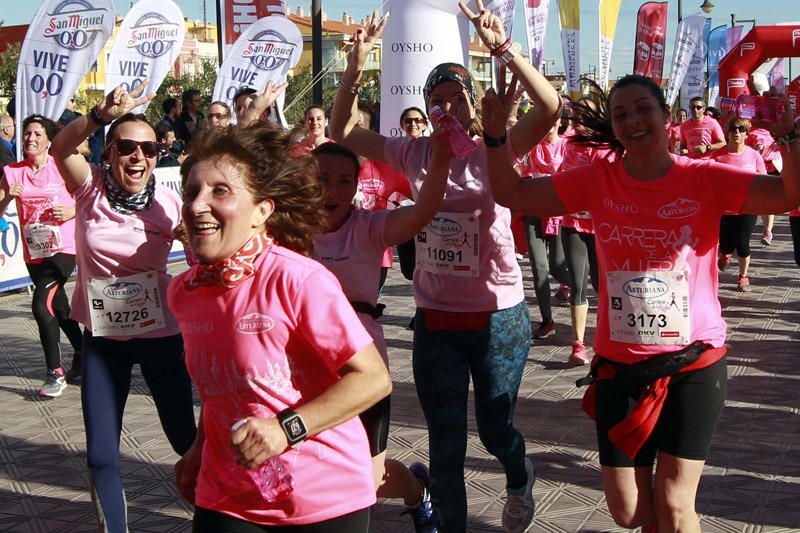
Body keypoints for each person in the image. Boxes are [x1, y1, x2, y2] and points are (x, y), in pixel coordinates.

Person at [482, 73, 799, 532]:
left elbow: (790, 193)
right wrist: (495, 138)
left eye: (642, 109)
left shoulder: (705, 177)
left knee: (673, 504)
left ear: (666, 117)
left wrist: (789, 138)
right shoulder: (598, 179)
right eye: (621, 114)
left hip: (694, 362)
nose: (632, 121)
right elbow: (511, 194)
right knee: (629, 512)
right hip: (621, 367)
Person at [329, 5, 562, 531]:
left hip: (497, 316)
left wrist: (503, 48)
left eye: (456, 96)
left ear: (471, 101)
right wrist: (354, 69)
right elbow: (344, 130)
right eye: (436, 100)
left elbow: (548, 107)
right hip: (436, 318)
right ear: (428, 109)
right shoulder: (411, 153)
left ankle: (518, 472)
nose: (446, 107)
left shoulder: (493, 146)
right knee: (447, 445)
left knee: (496, 431)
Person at [169, 121, 391, 532]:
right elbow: (226, 389)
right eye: (191, 192)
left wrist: (285, 429)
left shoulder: (298, 279)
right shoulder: (184, 292)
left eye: (220, 191)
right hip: (227, 490)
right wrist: (199, 449)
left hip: (323, 495)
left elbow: (374, 380)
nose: (198, 204)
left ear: (261, 211)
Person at [49, 84, 197, 533]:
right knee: (100, 453)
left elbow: (201, 252)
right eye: (127, 148)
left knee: (184, 438)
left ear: (157, 154)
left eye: (148, 149)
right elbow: (60, 147)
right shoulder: (90, 188)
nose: (138, 157)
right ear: (110, 153)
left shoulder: (169, 202)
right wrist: (98, 115)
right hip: (104, 339)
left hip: (160, 335)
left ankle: (219, 515)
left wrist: (195, 243)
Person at [312, 140, 450, 531]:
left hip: (362, 368)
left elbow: (425, 210)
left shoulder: (369, 228)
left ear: (356, 186)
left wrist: (439, 158)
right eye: (322, 179)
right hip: (304, 371)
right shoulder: (286, 230)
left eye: (343, 181)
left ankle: (417, 491)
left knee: (369, 481)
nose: (332, 190)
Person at [0, 115, 83, 396]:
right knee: (58, 307)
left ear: (49, 140)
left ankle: (54, 373)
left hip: (64, 247)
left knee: (40, 305)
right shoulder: (13, 171)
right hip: (34, 250)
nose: (30, 138)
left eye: (37, 134)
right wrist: (6, 198)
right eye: (26, 134)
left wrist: (71, 210)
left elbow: (89, 198)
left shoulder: (61, 168)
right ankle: (84, 353)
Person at [559, 95, 612, 366]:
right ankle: (578, 344)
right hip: (573, 224)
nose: (579, 121)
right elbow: (561, 176)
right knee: (578, 284)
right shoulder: (568, 144)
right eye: (576, 116)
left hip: (602, 226)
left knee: (603, 286)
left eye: (585, 116)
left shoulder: (608, 148)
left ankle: (605, 339)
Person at [520, 116, 570, 340]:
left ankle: (586, 291)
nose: (549, 124)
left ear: (560, 123)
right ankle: (547, 320)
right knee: (539, 267)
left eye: (554, 120)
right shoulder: (532, 148)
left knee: (557, 267)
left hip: (560, 212)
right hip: (534, 210)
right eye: (546, 120)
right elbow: (520, 173)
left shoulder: (569, 146)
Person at [712, 117, 766, 292]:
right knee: (726, 243)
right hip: (723, 209)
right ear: (727, 133)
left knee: (743, 243)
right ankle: (725, 254)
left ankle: (743, 277)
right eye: (733, 129)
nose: (737, 132)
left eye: (741, 129)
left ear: (746, 134)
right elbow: (706, 178)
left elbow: (763, 180)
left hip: (747, 208)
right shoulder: (717, 155)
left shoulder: (753, 155)